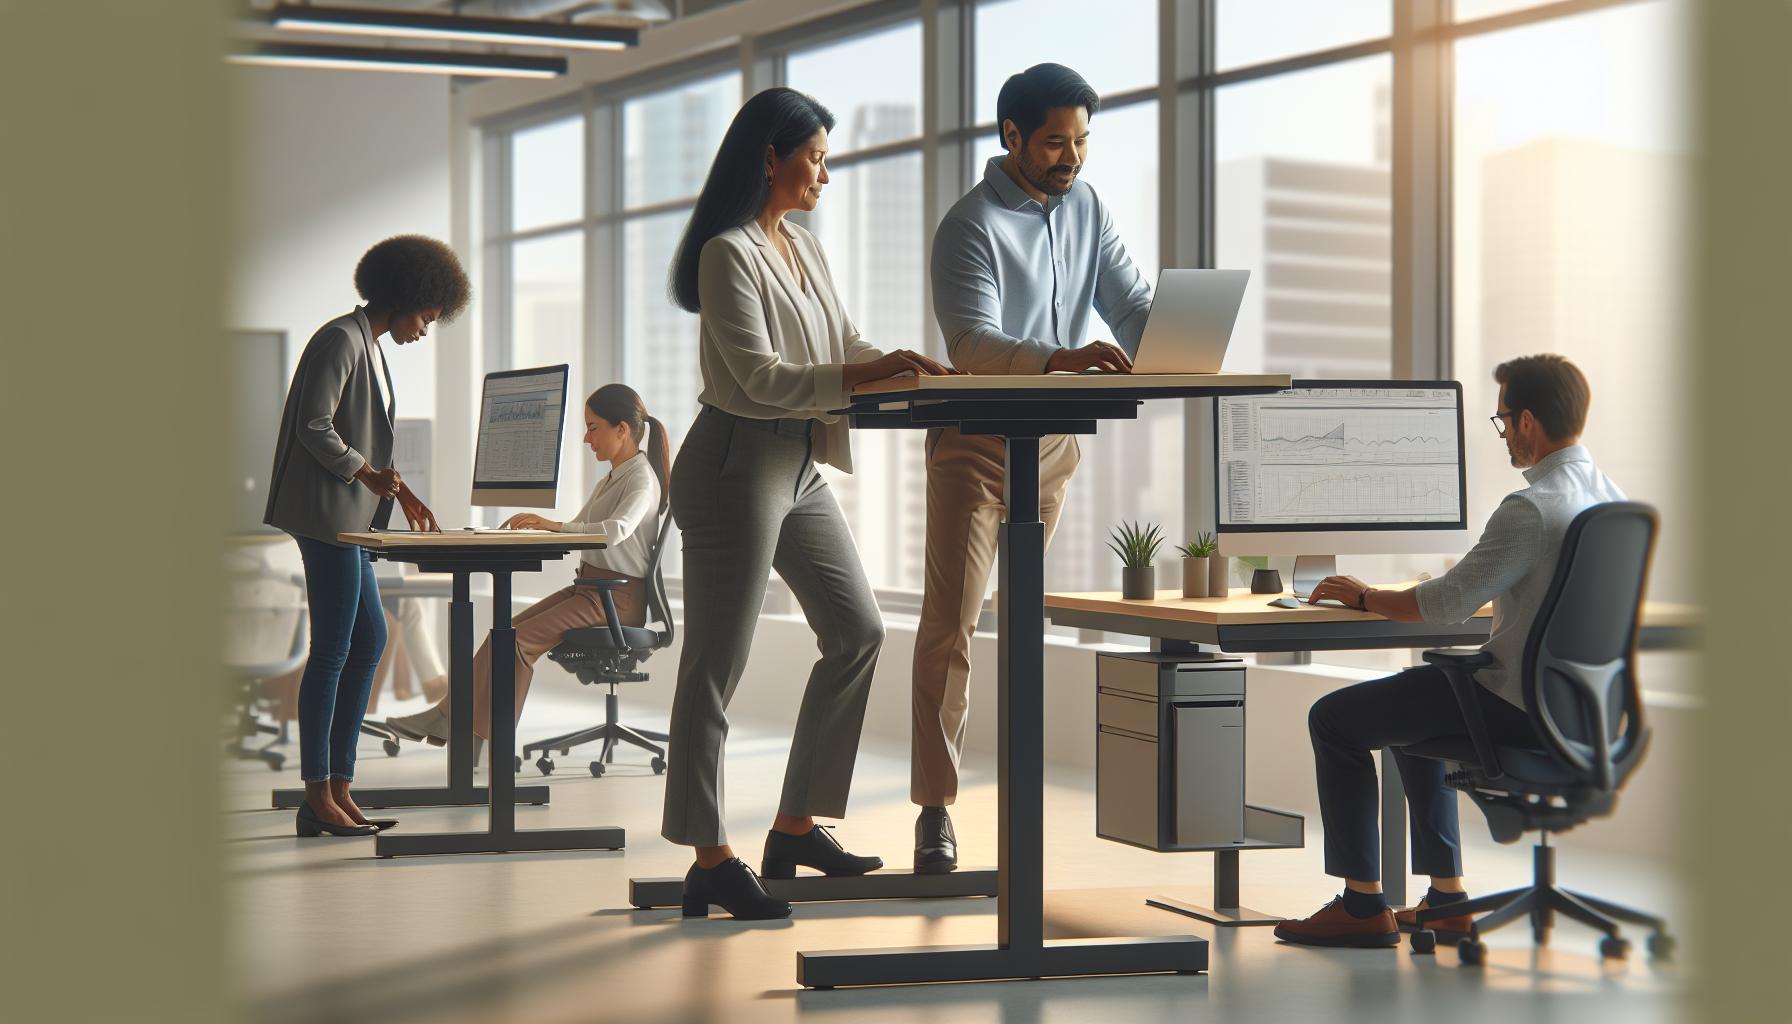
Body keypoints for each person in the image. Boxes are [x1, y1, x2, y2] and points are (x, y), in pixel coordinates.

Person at [661, 86, 955, 920]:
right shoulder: (728, 254)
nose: (825, 173)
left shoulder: (806, 248)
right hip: (731, 463)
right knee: (714, 667)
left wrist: (899, 362)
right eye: (816, 157)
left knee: (858, 628)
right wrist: (861, 374)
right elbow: (758, 379)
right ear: (769, 157)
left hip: (798, 462)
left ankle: (793, 827)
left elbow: (841, 346)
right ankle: (709, 856)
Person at [1273, 354, 1624, 948]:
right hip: (1585, 713)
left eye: (1504, 420)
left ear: (1529, 423)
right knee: (1417, 702)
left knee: (1333, 718)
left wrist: (1364, 596)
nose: (1505, 433)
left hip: (1518, 709)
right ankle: (1448, 898)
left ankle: (1362, 906)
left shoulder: (1530, 509)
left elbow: (1441, 605)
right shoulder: (1613, 502)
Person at [910, 63, 1152, 873]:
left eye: (1082, 140)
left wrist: (1183, 338)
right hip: (976, 441)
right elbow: (971, 344)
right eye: (1056, 141)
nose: (1072, 157)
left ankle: (1019, 806)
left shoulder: (1087, 208)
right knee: (954, 625)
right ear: (1011, 135)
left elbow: (1131, 305)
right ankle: (935, 807)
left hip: (1053, 444)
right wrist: (1060, 357)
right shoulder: (968, 226)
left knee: (1023, 618)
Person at [263, 234, 466, 838]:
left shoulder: (368, 346)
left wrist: (395, 489)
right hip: (326, 518)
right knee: (332, 650)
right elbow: (313, 425)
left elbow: (366, 448)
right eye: (428, 316)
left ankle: (339, 787)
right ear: (407, 296)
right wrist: (369, 473)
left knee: (371, 636)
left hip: (349, 520)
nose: (425, 329)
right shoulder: (339, 339)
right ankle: (317, 792)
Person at [383, 384, 667, 760]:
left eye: (593, 427)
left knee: (517, 644)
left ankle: (485, 746)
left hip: (616, 599)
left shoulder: (642, 480)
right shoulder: (612, 478)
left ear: (622, 430)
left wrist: (552, 527)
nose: (586, 437)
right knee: (504, 633)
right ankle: (445, 715)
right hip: (592, 590)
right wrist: (538, 526)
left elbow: (615, 530)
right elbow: (576, 526)